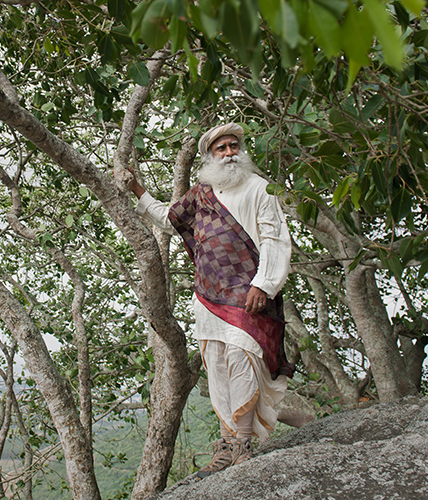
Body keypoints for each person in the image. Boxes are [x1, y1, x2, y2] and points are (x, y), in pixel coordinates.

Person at [127, 123, 294, 478]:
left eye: (234, 145)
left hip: (249, 297)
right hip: (208, 298)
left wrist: (264, 285)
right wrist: (138, 190)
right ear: (210, 156)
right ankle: (225, 446)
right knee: (216, 365)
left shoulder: (259, 188)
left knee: (242, 360)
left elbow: (275, 238)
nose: (230, 152)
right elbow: (171, 219)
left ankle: (243, 443)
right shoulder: (200, 195)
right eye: (222, 148)